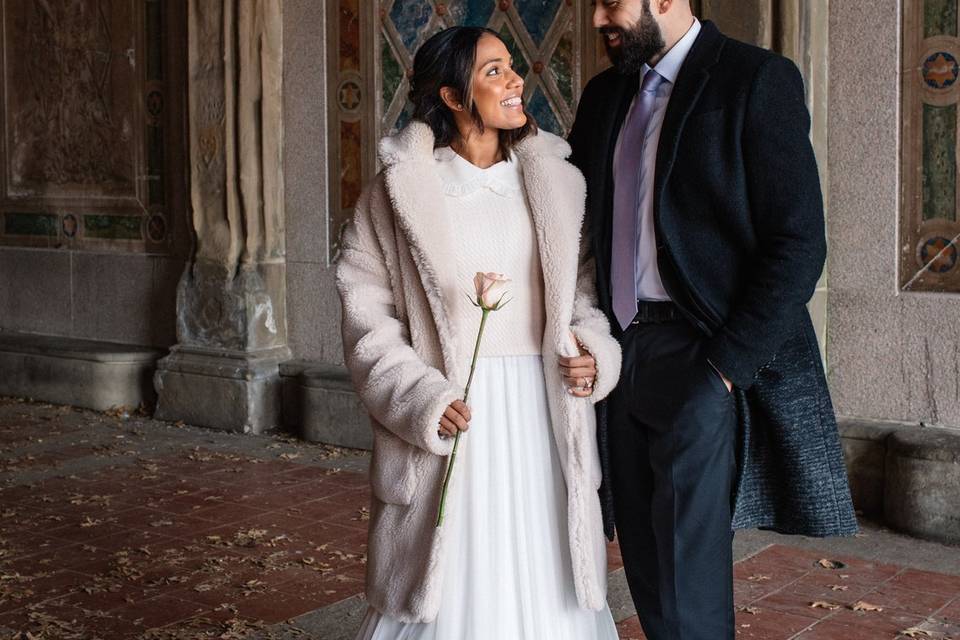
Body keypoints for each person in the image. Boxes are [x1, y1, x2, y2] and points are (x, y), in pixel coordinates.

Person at [567, 1, 858, 639]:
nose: (596, 19)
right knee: (642, 555)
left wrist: (725, 367)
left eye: (611, 2)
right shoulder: (603, 96)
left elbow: (799, 242)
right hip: (615, 355)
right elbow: (578, 229)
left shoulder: (754, 80)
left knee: (687, 568)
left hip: (699, 355)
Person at [337, 26, 622, 640]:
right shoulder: (401, 191)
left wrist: (592, 353)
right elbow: (367, 319)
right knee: (454, 567)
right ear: (453, 97)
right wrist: (421, 399)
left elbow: (582, 293)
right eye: (493, 71)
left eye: (512, 66)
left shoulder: (557, 182)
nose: (516, 79)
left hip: (541, 412)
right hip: (454, 411)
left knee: (544, 557)